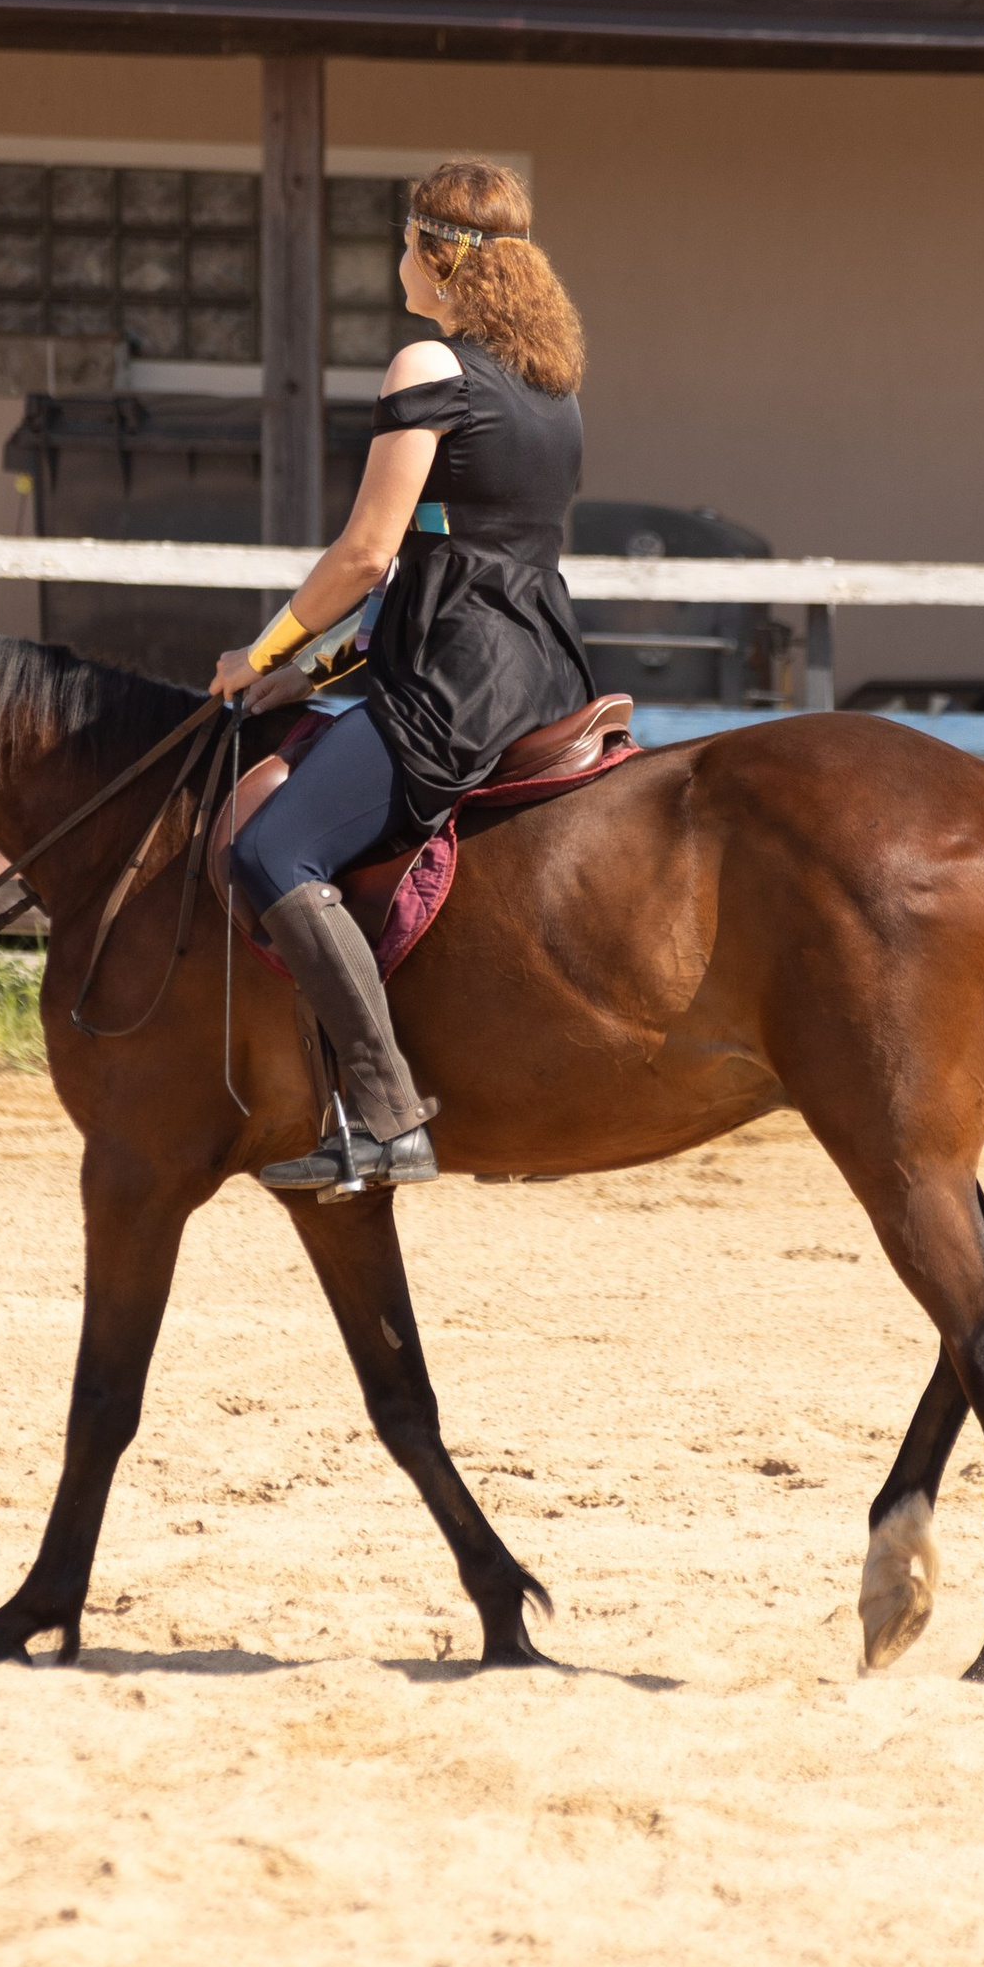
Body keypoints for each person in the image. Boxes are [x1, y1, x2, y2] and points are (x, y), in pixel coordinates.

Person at [210, 158, 597, 1197]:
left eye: (403, 244)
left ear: (435, 256)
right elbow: (448, 563)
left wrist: (260, 655)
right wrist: (312, 673)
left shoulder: (428, 365)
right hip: (544, 666)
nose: (397, 264)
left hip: (456, 680)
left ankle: (385, 1116)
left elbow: (368, 557)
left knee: (271, 851)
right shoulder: (551, 389)